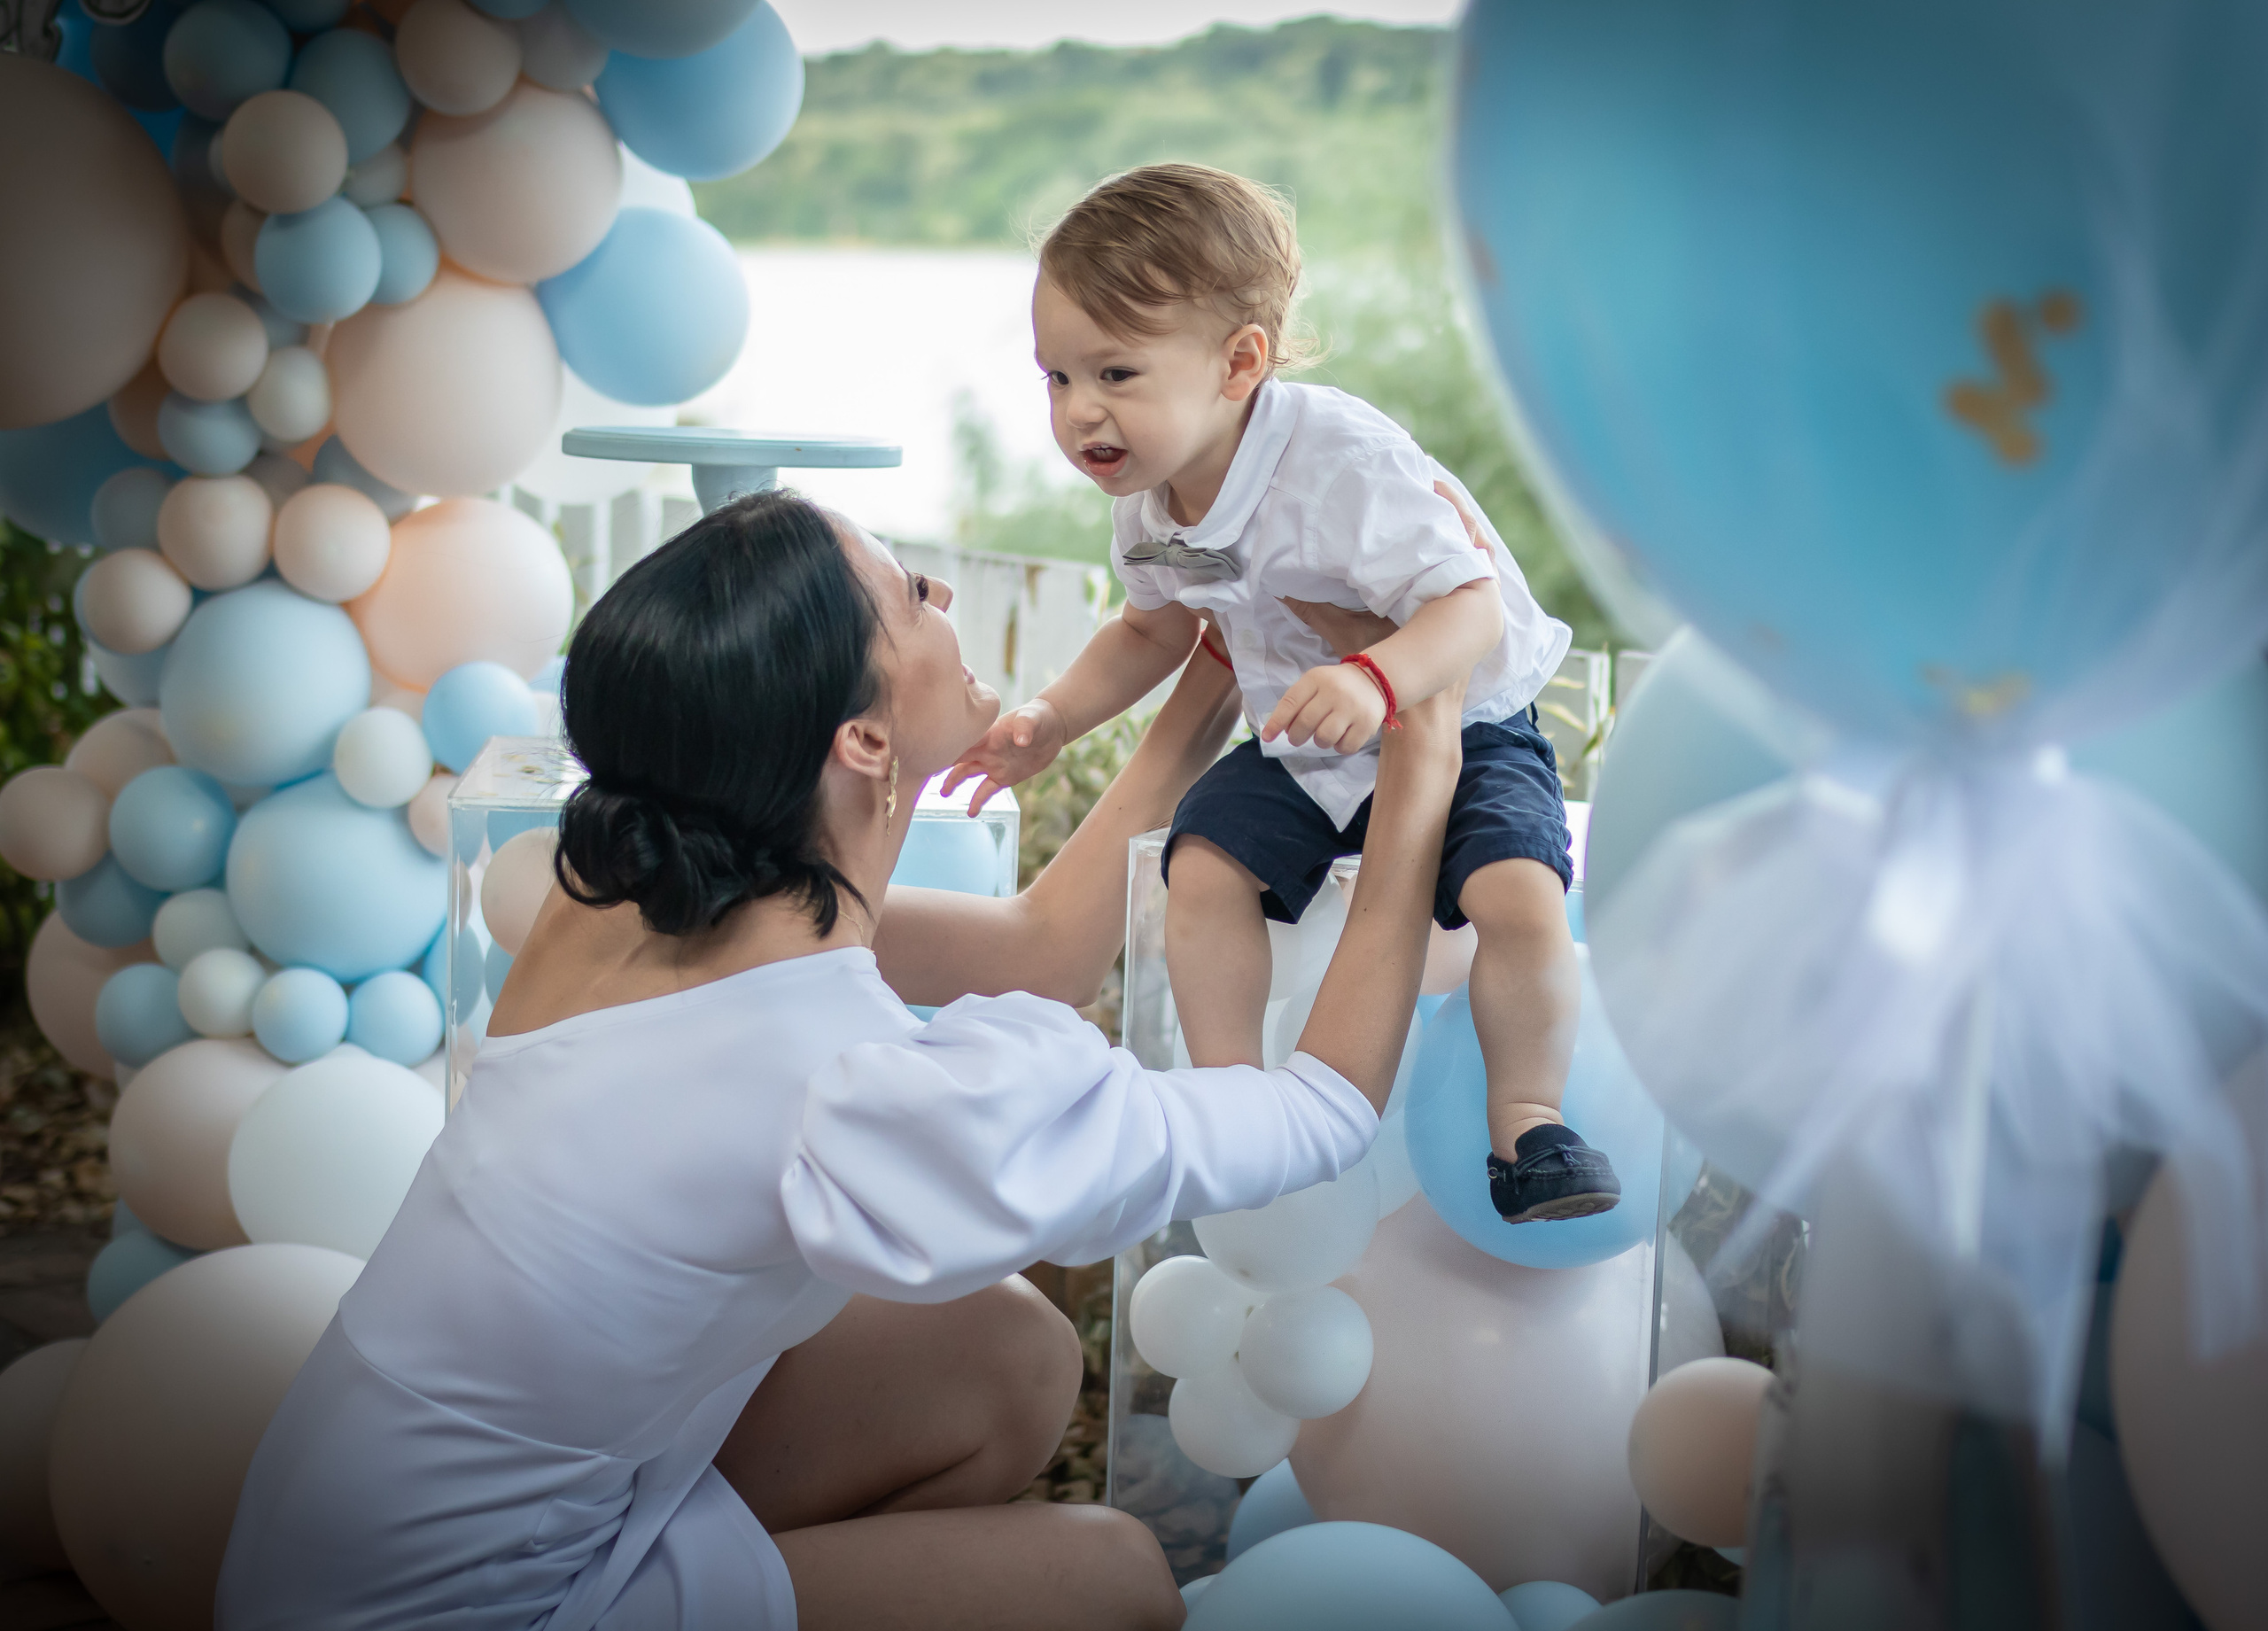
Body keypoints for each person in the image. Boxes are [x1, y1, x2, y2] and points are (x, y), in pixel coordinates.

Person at [216, 488, 1467, 1631]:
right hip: (474, 1611)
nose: (942, 600)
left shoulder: (616, 893)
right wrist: (1424, 765)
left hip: (326, 1559)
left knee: (1008, 1353)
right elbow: (1320, 1111)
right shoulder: (839, 1080)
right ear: (864, 741)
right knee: (1121, 1582)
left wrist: (1209, 669)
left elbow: (1035, 952)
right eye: (908, 596)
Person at [946, 163, 1618, 1225]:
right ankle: (1231, 1097)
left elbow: (1471, 608)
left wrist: (1376, 674)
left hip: (1465, 718)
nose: (1079, 413)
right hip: (1306, 740)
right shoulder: (1149, 501)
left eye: (1115, 373)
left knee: (1517, 893)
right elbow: (1152, 629)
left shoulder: (1341, 461)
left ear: (1239, 362)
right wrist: (1050, 717)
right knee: (1201, 866)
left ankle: (1528, 1118)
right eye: (1057, 378)